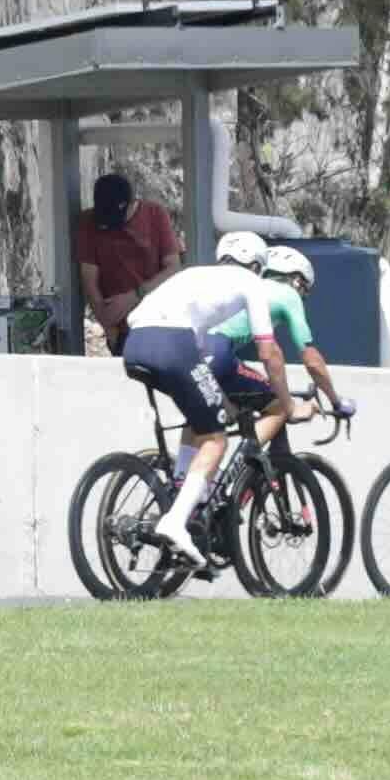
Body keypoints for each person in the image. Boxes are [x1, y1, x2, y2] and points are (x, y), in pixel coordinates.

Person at [125, 237, 320, 561]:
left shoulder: (195, 275)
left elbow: (194, 347)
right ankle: (175, 521)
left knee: (203, 416)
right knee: (216, 440)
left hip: (136, 344)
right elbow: (268, 353)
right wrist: (288, 405)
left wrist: (222, 404)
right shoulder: (251, 284)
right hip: (173, 346)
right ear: (256, 266)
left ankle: (183, 486)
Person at [73, 170, 177, 344]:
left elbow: (173, 268)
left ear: (131, 203)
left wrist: (135, 296)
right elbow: (89, 280)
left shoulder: (155, 214)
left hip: (158, 322)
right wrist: (107, 325)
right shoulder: (88, 222)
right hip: (119, 329)